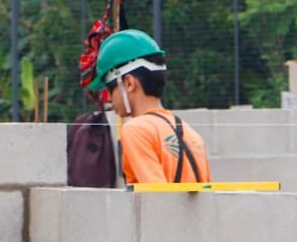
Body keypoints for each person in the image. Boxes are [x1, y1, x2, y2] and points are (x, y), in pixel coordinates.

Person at [87, 29, 211, 185]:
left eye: (110, 90)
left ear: (129, 83)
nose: (109, 99)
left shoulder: (136, 130)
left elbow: (155, 198)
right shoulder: (191, 133)